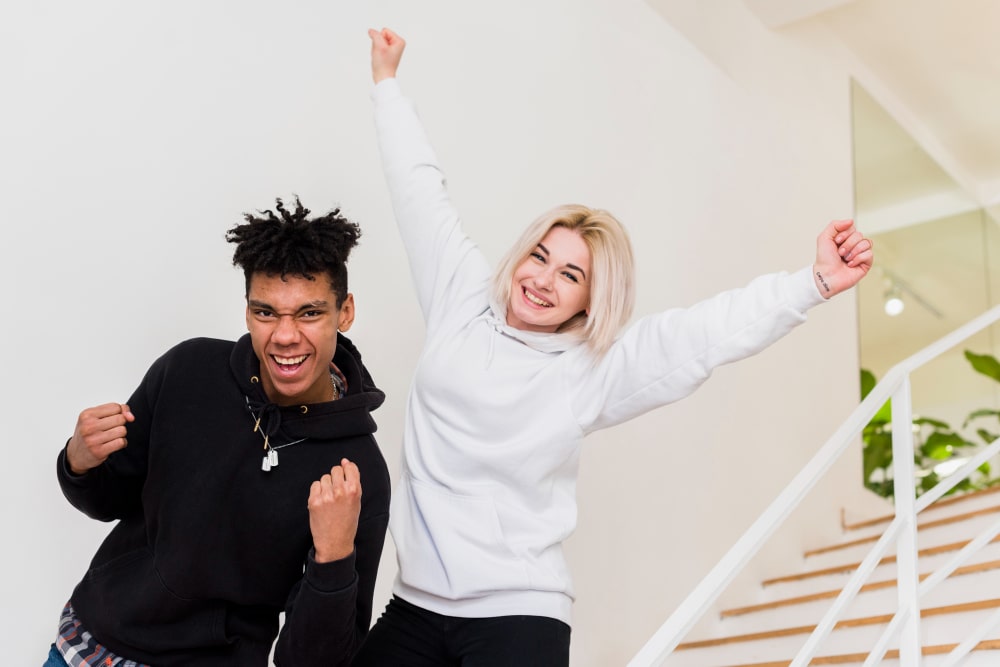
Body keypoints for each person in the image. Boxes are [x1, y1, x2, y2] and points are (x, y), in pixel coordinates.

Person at [354, 28, 874, 667]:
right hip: (415, 603)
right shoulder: (460, 299)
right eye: (541, 256)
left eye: (570, 275)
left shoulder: (593, 371)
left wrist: (814, 282)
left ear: (589, 301)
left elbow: (707, 333)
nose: (542, 280)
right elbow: (419, 192)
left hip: (519, 614)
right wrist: (386, 83)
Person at [46, 197, 390, 667]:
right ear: (247, 311)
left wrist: (332, 557)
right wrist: (80, 462)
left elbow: (315, 661)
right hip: (88, 647)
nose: (285, 336)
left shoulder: (357, 471)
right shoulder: (188, 369)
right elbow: (110, 501)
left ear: (344, 312)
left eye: (309, 313)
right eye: (266, 312)